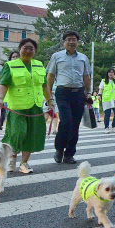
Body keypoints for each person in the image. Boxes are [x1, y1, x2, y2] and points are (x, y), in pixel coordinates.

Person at [0, 38, 52, 174]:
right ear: (20, 49)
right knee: (17, 133)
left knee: (32, 135)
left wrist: (50, 100)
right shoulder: (10, 65)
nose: (28, 51)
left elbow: (44, 85)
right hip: (17, 106)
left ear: (35, 51)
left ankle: (24, 163)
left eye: (31, 48)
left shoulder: (39, 65)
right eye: (25, 48)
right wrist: (0, 99)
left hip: (35, 105)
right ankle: (12, 158)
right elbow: (3, 84)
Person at [46, 30, 92, 164]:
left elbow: (86, 76)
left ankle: (69, 154)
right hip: (62, 93)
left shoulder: (83, 58)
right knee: (66, 122)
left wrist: (88, 93)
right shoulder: (56, 56)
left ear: (77, 42)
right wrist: (49, 96)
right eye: (69, 39)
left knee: (75, 125)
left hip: (78, 93)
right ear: (63, 42)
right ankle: (59, 149)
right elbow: (50, 76)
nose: (72, 42)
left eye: (74, 39)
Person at [98, 69, 115, 133]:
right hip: (107, 99)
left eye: (112, 72)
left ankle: (114, 126)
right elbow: (101, 89)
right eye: (109, 72)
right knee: (107, 114)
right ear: (107, 73)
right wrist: (99, 95)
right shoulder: (103, 81)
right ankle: (106, 127)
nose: (110, 73)